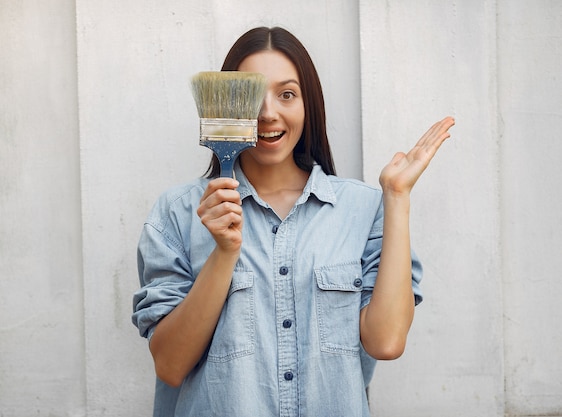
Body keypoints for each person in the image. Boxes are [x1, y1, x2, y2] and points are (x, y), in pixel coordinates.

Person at [132, 26, 454, 417]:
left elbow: (386, 342)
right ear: (228, 105)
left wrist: (398, 198)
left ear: (308, 105)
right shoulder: (177, 214)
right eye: (253, 93)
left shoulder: (365, 208)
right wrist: (224, 253)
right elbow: (170, 365)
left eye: (287, 94)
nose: (268, 112)